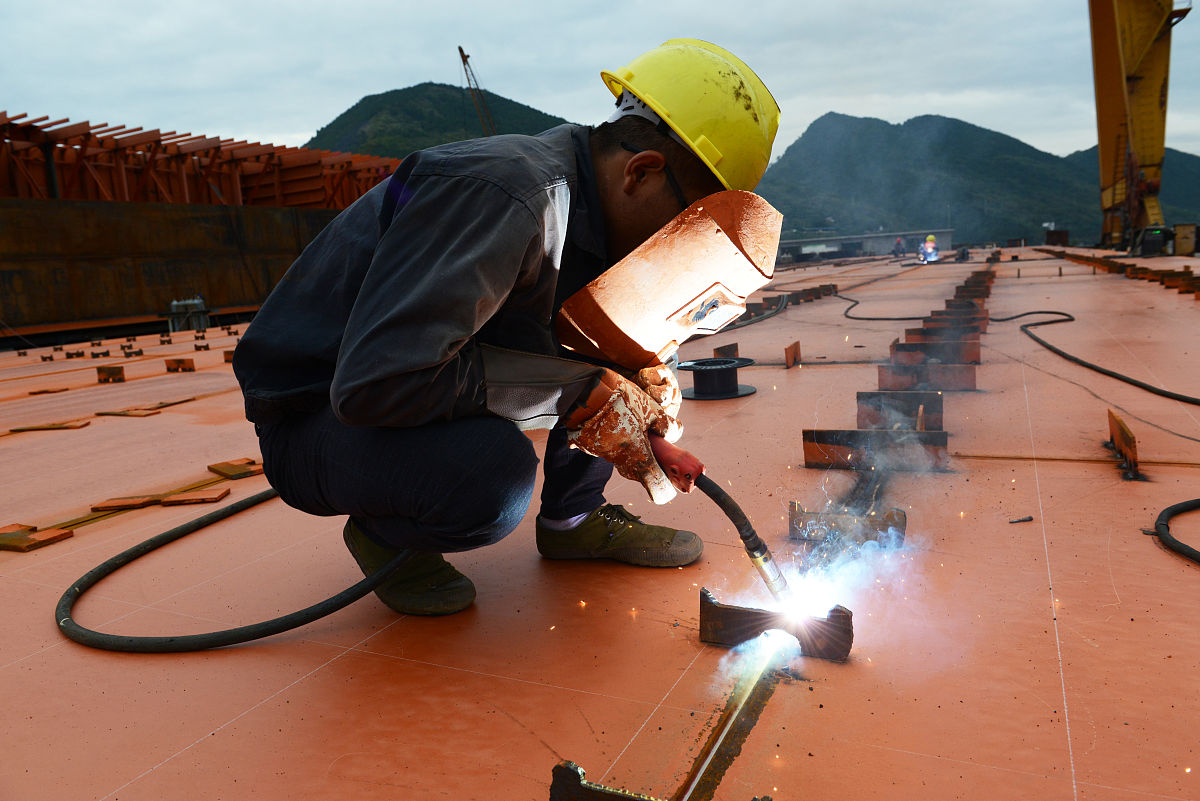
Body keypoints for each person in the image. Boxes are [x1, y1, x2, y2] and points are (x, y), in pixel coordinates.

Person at [232, 39, 780, 615]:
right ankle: (384, 535)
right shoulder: (508, 195)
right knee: (491, 477)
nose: (673, 249)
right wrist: (576, 390)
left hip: (394, 379)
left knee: (623, 345)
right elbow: (379, 382)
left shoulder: (586, 208)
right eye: (679, 228)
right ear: (641, 173)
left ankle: (575, 520)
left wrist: (634, 374)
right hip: (317, 415)